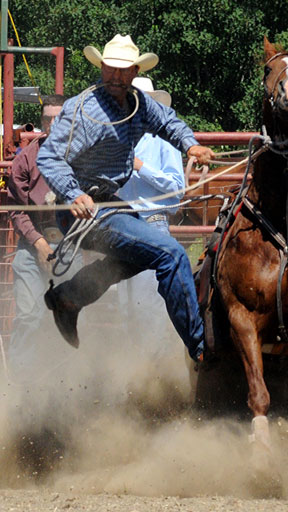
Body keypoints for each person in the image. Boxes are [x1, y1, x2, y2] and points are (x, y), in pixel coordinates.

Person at [36, 34, 215, 363]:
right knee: (171, 254)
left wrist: (190, 145)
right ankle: (202, 349)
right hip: (83, 209)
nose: (115, 76)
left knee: (139, 258)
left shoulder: (138, 104)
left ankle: (68, 298)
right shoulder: (85, 111)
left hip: (109, 204)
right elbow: (49, 157)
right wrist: (73, 193)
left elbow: (168, 122)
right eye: (110, 69)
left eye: (122, 70)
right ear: (101, 67)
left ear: (134, 72)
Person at [6, 94, 83, 382]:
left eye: (58, 117)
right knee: (29, 315)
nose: (52, 123)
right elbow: (17, 208)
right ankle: (17, 385)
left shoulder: (81, 155)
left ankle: (66, 383)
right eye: (47, 118)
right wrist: (38, 242)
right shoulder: (26, 158)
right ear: (41, 123)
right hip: (32, 245)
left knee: (68, 318)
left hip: (70, 246)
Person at [117, 77, 185, 355]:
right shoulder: (117, 138)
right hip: (121, 225)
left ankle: (156, 375)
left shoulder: (162, 141)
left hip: (152, 222)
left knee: (150, 309)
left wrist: (140, 167)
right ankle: (137, 375)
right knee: (126, 309)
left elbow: (177, 188)